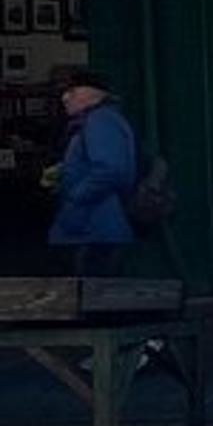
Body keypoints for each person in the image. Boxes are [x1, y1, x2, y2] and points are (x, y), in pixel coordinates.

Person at [49, 69, 137, 277]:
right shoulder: (97, 120)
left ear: (95, 93)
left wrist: (75, 195)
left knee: (92, 294)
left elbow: (111, 169)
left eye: (72, 90)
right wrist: (64, 172)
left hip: (95, 227)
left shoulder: (100, 120)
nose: (65, 97)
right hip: (92, 227)